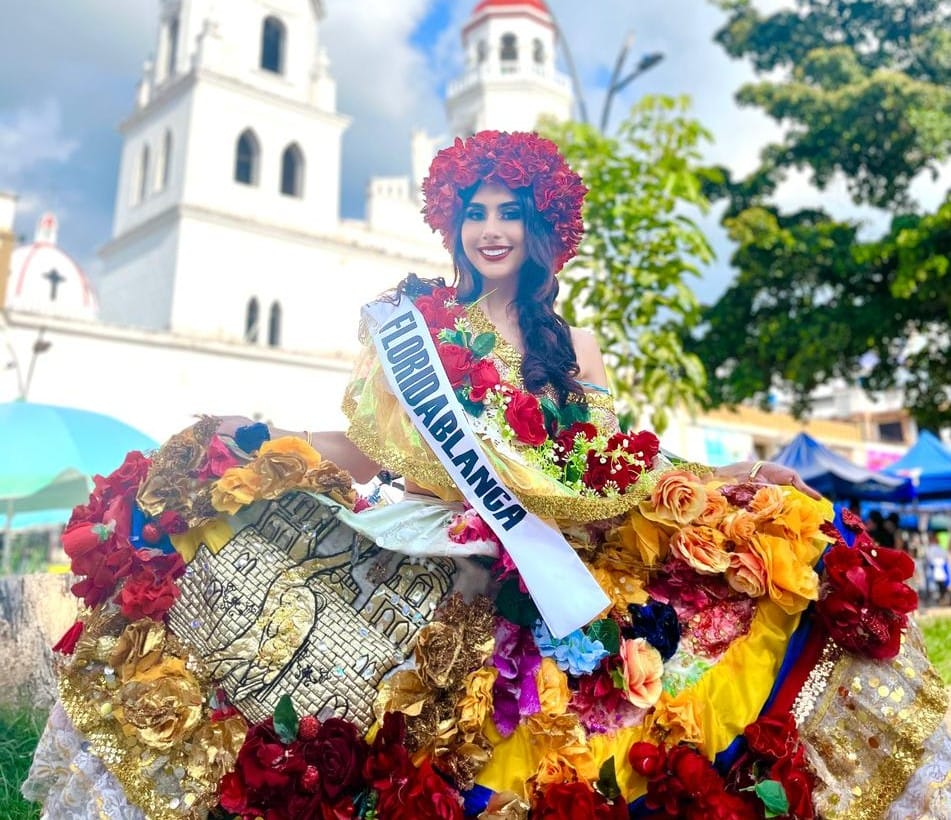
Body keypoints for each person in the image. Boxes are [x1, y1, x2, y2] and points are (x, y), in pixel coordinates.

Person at [24, 131, 950, 819]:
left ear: (543, 226)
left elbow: (612, 460)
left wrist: (725, 476)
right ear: (452, 222)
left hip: (553, 566)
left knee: (562, 750)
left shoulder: (571, 342)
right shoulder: (408, 321)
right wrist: (263, 440)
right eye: (477, 210)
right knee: (423, 749)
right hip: (427, 563)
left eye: (513, 210)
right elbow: (369, 451)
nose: (493, 228)